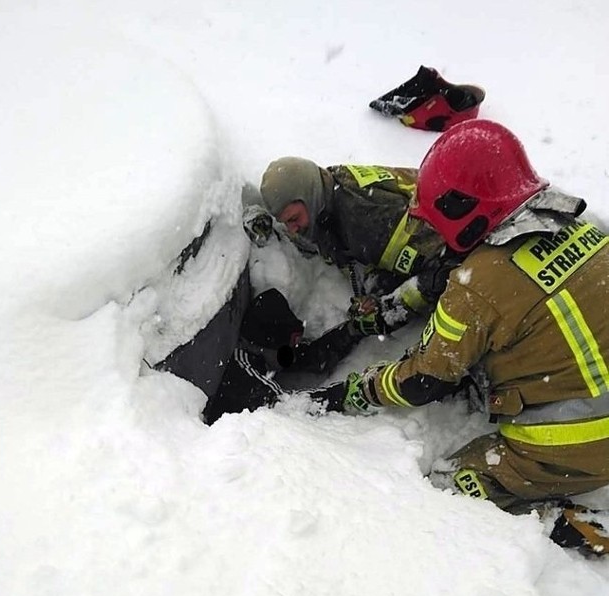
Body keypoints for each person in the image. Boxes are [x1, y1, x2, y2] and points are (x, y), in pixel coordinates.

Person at [341, 119, 609, 556]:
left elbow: (423, 379)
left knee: (451, 483)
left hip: (575, 444)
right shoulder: (585, 227)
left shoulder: (478, 283)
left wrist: (362, 387)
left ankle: (560, 521)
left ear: (463, 209)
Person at [255, 157, 463, 334]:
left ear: (309, 196)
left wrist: (388, 310)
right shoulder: (328, 187)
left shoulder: (366, 221)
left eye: (294, 219)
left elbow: (446, 268)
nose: (292, 229)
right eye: (285, 223)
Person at [158, 285, 367, 425]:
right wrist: (345, 394)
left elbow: (313, 357)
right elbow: (288, 408)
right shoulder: (244, 374)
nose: (294, 351)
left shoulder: (266, 353)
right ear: (267, 345)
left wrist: (354, 330)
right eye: (288, 346)